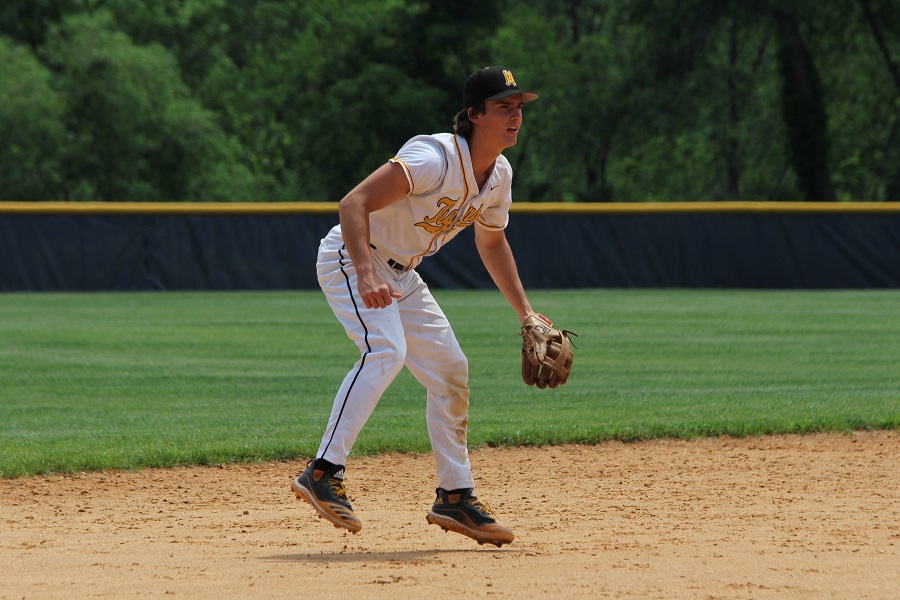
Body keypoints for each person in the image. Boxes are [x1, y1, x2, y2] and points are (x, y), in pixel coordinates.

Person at [291, 66, 541, 548]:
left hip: (402, 273)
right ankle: (323, 472)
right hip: (351, 255)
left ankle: (455, 496)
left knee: (451, 370)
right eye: (503, 106)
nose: (515, 115)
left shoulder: (500, 176)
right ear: (474, 115)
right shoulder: (435, 157)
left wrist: (525, 313)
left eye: (519, 107)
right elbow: (353, 204)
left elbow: (492, 244)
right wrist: (364, 274)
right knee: (385, 350)